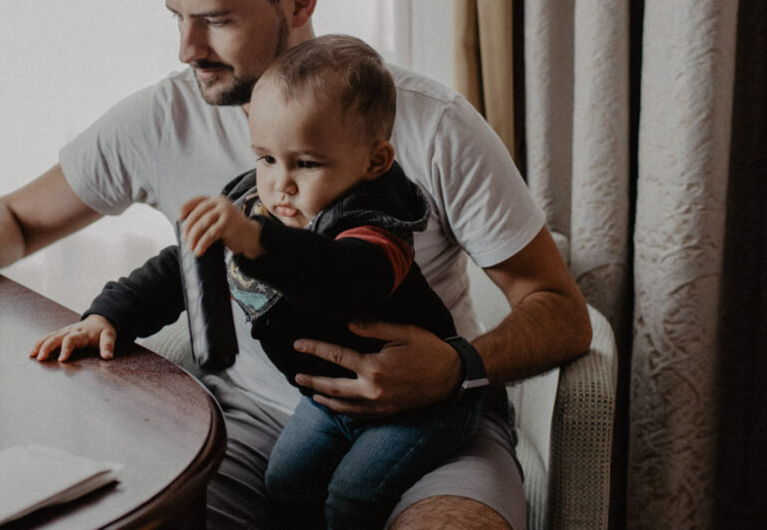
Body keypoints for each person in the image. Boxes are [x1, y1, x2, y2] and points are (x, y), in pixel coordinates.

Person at [0, 0, 592, 530]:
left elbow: (559, 310)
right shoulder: (166, 115)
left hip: (434, 424)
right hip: (251, 432)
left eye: (217, 20)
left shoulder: (428, 123)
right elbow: (18, 218)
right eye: (176, 16)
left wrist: (454, 367)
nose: (186, 48)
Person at [31, 35, 486, 529]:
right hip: (328, 401)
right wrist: (109, 315)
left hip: (420, 404)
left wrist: (255, 240)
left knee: (351, 496)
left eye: (306, 163)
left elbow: (341, 278)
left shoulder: (378, 226)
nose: (281, 183)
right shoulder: (256, 207)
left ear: (374, 161)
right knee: (285, 483)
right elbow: (180, 267)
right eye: (267, 158)